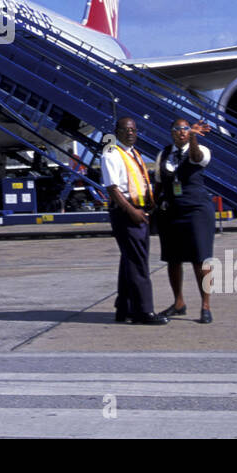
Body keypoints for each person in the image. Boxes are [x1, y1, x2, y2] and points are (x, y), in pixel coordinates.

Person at [101, 117, 167, 325]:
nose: (130, 133)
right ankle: (143, 311)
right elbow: (112, 188)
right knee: (138, 261)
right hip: (126, 212)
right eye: (126, 129)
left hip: (139, 209)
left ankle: (124, 307)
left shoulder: (133, 153)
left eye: (133, 130)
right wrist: (131, 211)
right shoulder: (111, 152)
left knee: (130, 259)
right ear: (117, 132)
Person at [153, 118, 216, 323]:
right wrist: (153, 206)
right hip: (172, 211)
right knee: (173, 259)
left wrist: (194, 138)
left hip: (196, 209)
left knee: (200, 259)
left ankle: (205, 305)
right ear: (171, 132)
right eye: (177, 129)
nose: (182, 132)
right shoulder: (163, 154)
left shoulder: (200, 150)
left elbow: (196, 157)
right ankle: (178, 302)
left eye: (186, 129)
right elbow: (159, 183)